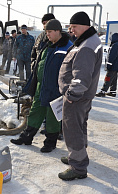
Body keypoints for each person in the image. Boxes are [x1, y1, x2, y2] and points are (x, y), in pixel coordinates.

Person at [10, 19, 72, 153]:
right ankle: (27, 137)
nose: (47, 34)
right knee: (35, 111)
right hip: (41, 86)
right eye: (46, 32)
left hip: (55, 88)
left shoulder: (68, 47)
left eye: (49, 32)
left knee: (52, 116)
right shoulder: (48, 45)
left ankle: (50, 142)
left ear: (58, 31)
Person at [57, 11, 103, 181]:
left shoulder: (86, 47)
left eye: (74, 26)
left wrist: (71, 95)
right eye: (70, 26)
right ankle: (77, 155)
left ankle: (78, 167)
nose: (71, 30)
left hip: (76, 98)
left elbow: (82, 76)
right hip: (83, 96)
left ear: (85, 26)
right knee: (80, 126)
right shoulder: (89, 40)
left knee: (73, 130)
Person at [30, 13, 55, 136]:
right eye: (44, 24)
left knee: (52, 103)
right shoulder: (40, 36)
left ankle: (54, 130)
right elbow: (34, 52)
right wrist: (33, 65)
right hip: (39, 73)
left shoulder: (59, 37)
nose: (45, 26)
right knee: (39, 100)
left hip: (51, 76)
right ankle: (41, 124)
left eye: (47, 23)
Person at [96, 33, 118, 97]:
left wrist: (109, 64)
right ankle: (113, 92)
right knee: (114, 78)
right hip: (117, 65)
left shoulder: (115, 45)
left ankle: (103, 91)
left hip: (113, 66)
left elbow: (112, 56)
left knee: (108, 78)